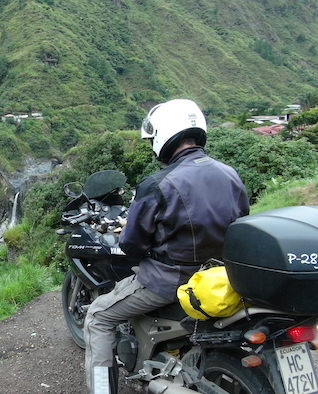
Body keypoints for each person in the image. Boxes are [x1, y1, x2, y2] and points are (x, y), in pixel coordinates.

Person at [84, 99, 250, 394]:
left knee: (98, 316)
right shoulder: (230, 174)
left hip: (168, 281)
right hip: (220, 277)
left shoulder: (157, 184)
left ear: (163, 135)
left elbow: (132, 244)